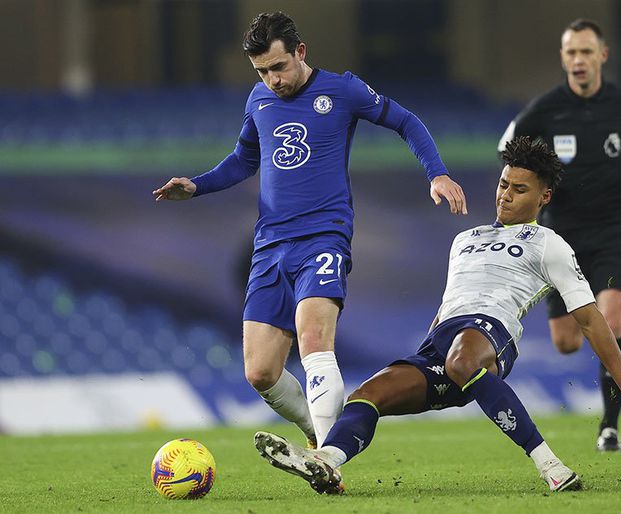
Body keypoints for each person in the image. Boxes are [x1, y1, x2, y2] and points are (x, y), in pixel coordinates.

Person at [253, 136, 621, 495]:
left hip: (490, 337)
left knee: (462, 358)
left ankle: (551, 467)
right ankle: (326, 462)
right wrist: (425, 352)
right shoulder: (464, 239)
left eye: (520, 189)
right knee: (367, 395)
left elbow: (590, 319)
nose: (506, 195)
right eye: (504, 184)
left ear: (544, 197)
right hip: (445, 346)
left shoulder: (550, 244)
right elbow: (447, 306)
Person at [152, 12, 467, 448]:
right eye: (262, 72)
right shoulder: (258, 101)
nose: (272, 80)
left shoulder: (342, 89)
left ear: (300, 52)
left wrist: (437, 173)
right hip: (270, 246)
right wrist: (198, 185)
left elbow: (406, 121)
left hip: (324, 234)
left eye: (278, 67)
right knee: (260, 371)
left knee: (313, 339)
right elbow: (245, 159)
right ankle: (315, 435)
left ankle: (330, 460)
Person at [497, 19, 621, 451]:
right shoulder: (545, 109)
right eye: (571, 53)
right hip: (561, 238)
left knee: (613, 318)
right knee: (565, 341)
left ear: (602, 55)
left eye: (585, 52)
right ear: (564, 58)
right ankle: (605, 393)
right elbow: (508, 147)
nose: (578, 60)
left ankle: (610, 428)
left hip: (613, 229)